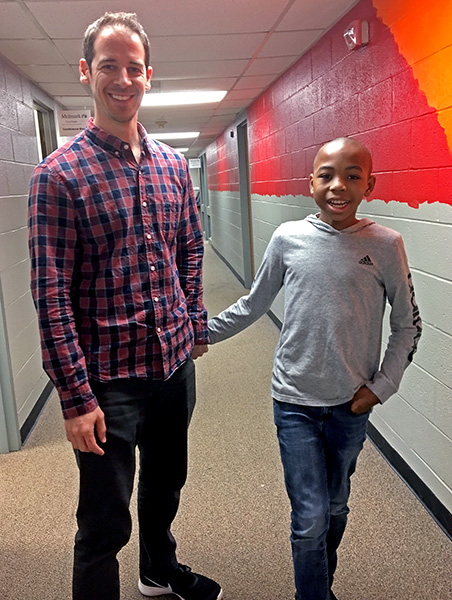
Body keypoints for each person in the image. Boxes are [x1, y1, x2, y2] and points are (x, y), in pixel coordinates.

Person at [28, 12, 222, 600]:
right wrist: (75, 398)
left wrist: (194, 320)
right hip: (108, 382)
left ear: (147, 75)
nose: (122, 78)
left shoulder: (170, 166)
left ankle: (158, 569)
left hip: (171, 367)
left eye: (133, 68)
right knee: (104, 521)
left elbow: (189, 246)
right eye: (108, 66)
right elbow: (52, 294)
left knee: (166, 488)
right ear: (86, 72)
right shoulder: (57, 176)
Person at [208, 137, 422, 600]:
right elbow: (252, 304)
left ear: (370, 184)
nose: (337, 185)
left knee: (336, 507)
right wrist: (199, 335)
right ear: (310, 183)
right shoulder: (288, 238)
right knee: (309, 521)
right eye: (326, 175)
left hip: (351, 405)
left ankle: (320, 583)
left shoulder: (386, 244)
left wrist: (382, 387)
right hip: (295, 402)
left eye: (351, 175)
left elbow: (408, 324)